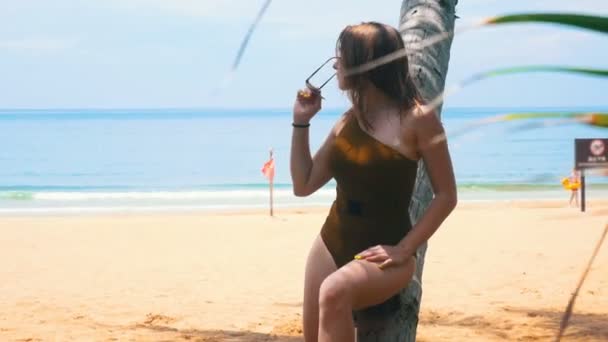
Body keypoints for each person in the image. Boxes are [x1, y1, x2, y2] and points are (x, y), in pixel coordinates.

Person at [289, 22, 457, 342]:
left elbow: (446, 195)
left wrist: (405, 249)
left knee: (334, 290)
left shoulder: (419, 119)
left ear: (364, 65)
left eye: (341, 56)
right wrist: (300, 123)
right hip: (331, 242)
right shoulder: (349, 119)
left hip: (387, 253)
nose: (336, 63)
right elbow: (304, 185)